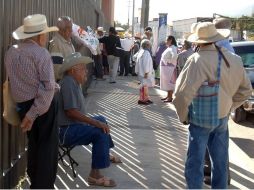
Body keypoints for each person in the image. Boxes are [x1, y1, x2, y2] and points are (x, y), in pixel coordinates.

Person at [173, 22, 252, 189]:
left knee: (195, 163)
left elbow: (181, 95)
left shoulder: (196, 60)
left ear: (198, 41)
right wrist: (230, 105)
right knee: (221, 161)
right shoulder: (234, 59)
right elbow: (246, 91)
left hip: (200, 120)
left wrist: (184, 116)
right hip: (222, 118)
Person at [5, 14, 59, 188]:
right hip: (42, 107)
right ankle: (42, 185)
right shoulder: (41, 53)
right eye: (45, 34)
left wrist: (28, 114)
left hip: (23, 106)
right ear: (40, 36)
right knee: (47, 149)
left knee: (34, 146)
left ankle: (35, 181)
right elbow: (48, 87)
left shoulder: (11, 51)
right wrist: (33, 113)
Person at [57, 52, 121, 187]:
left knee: (101, 119)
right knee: (99, 131)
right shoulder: (68, 83)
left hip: (72, 125)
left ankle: (104, 152)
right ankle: (94, 176)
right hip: (65, 131)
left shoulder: (73, 81)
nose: (86, 71)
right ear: (73, 70)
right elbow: (71, 112)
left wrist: (96, 122)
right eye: (83, 68)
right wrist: (94, 123)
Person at [203, 17, 236, 186]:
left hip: (215, 103)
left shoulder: (221, 48)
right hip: (221, 103)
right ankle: (210, 171)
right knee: (217, 144)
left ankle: (221, 177)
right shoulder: (227, 47)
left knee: (218, 146)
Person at [49, 16, 75, 81]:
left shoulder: (68, 41)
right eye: (69, 28)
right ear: (61, 30)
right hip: (64, 83)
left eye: (71, 28)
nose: (71, 30)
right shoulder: (56, 43)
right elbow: (56, 70)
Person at [135, 39, 155, 105]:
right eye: (149, 45)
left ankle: (145, 98)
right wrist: (146, 72)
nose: (150, 46)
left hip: (141, 72)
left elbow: (134, 58)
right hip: (144, 73)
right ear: (147, 45)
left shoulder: (141, 51)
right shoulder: (146, 53)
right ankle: (142, 100)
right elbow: (145, 63)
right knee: (144, 87)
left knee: (144, 86)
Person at [160, 35, 178, 102]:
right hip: (166, 68)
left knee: (169, 83)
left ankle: (170, 97)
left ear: (170, 40)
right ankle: (168, 96)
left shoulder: (173, 47)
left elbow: (175, 56)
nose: (166, 41)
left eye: (167, 40)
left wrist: (168, 62)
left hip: (169, 69)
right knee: (166, 82)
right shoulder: (170, 47)